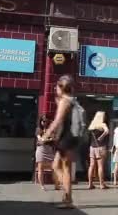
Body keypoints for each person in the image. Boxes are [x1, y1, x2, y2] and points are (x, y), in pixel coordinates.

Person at [43, 75, 78, 209]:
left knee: (65, 168)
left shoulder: (65, 100)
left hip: (67, 138)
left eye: (56, 86)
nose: (55, 89)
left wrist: (46, 134)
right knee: (56, 165)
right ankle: (66, 195)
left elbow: (57, 121)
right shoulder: (72, 100)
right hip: (69, 137)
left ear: (62, 88)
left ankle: (68, 199)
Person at [87, 111, 109, 190]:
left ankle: (90, 184)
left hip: (92, 147)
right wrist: (101, 137)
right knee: (100, 166)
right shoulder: (103, 124)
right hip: (100, 147)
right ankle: (101, 184)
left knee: (91, 165)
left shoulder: (92, 125)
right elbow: (107, 131)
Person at [35, 115, 58, 191]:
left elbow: (54, 138)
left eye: (46, 121)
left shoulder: (50, 129)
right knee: (40, 168)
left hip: (49, 149)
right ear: (40, 121)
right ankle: (42, 185)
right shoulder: (38, 129)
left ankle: (56, 184)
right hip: (41, 149)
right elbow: (41, 139)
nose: (44, 123)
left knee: (54, 167)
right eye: (43, 121)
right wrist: (49, 139)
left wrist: (49, 138)